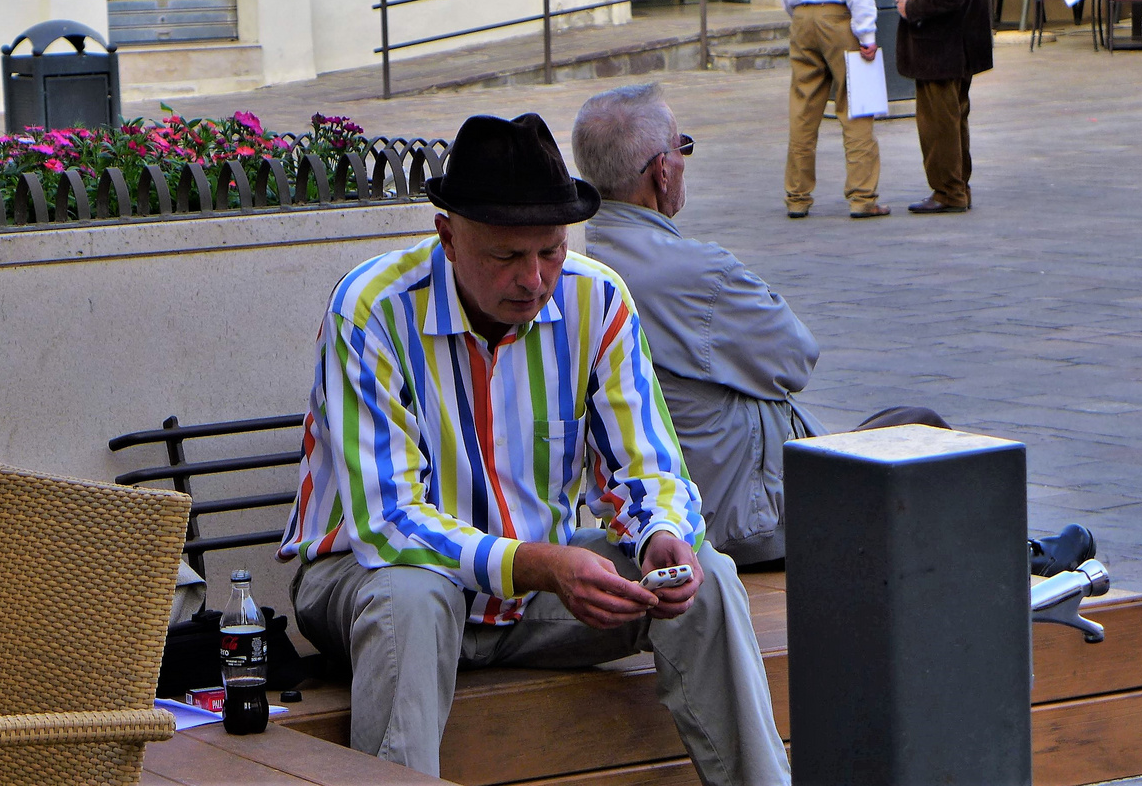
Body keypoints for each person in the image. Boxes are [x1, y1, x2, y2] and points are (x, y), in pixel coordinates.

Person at [279, 113, 789, 786]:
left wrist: (661, 533)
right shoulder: (369, 308)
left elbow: (648, 466)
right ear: (447, 236)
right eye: (506, 257)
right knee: (414, 596)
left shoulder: (598, 297)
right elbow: (388, 521)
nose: (534, 278)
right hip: (365, 582)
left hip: (530, 600)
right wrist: (542, 564)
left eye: (549, 251)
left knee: (709, 576)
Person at [573, 83, 826, 567]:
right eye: (681, 146)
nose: (684, 159)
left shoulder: (575, 259)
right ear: (662, 171)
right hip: (744, 518)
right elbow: (797, 358)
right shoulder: (699, 274)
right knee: (919, 432)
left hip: (659, 513)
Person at [879, 0, 992, 213]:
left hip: (941, 46)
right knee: (954, 119)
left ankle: (948, 191)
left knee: (938, 124)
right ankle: (957, 186)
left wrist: (910, 5)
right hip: (962, 44)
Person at [778, 0, 887, 219]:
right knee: (856, 106)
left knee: (803, 109)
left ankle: (797, 197)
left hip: (801, 16)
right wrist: (867, 32)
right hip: (837, 18)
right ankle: (862, 196)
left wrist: (794, 12)